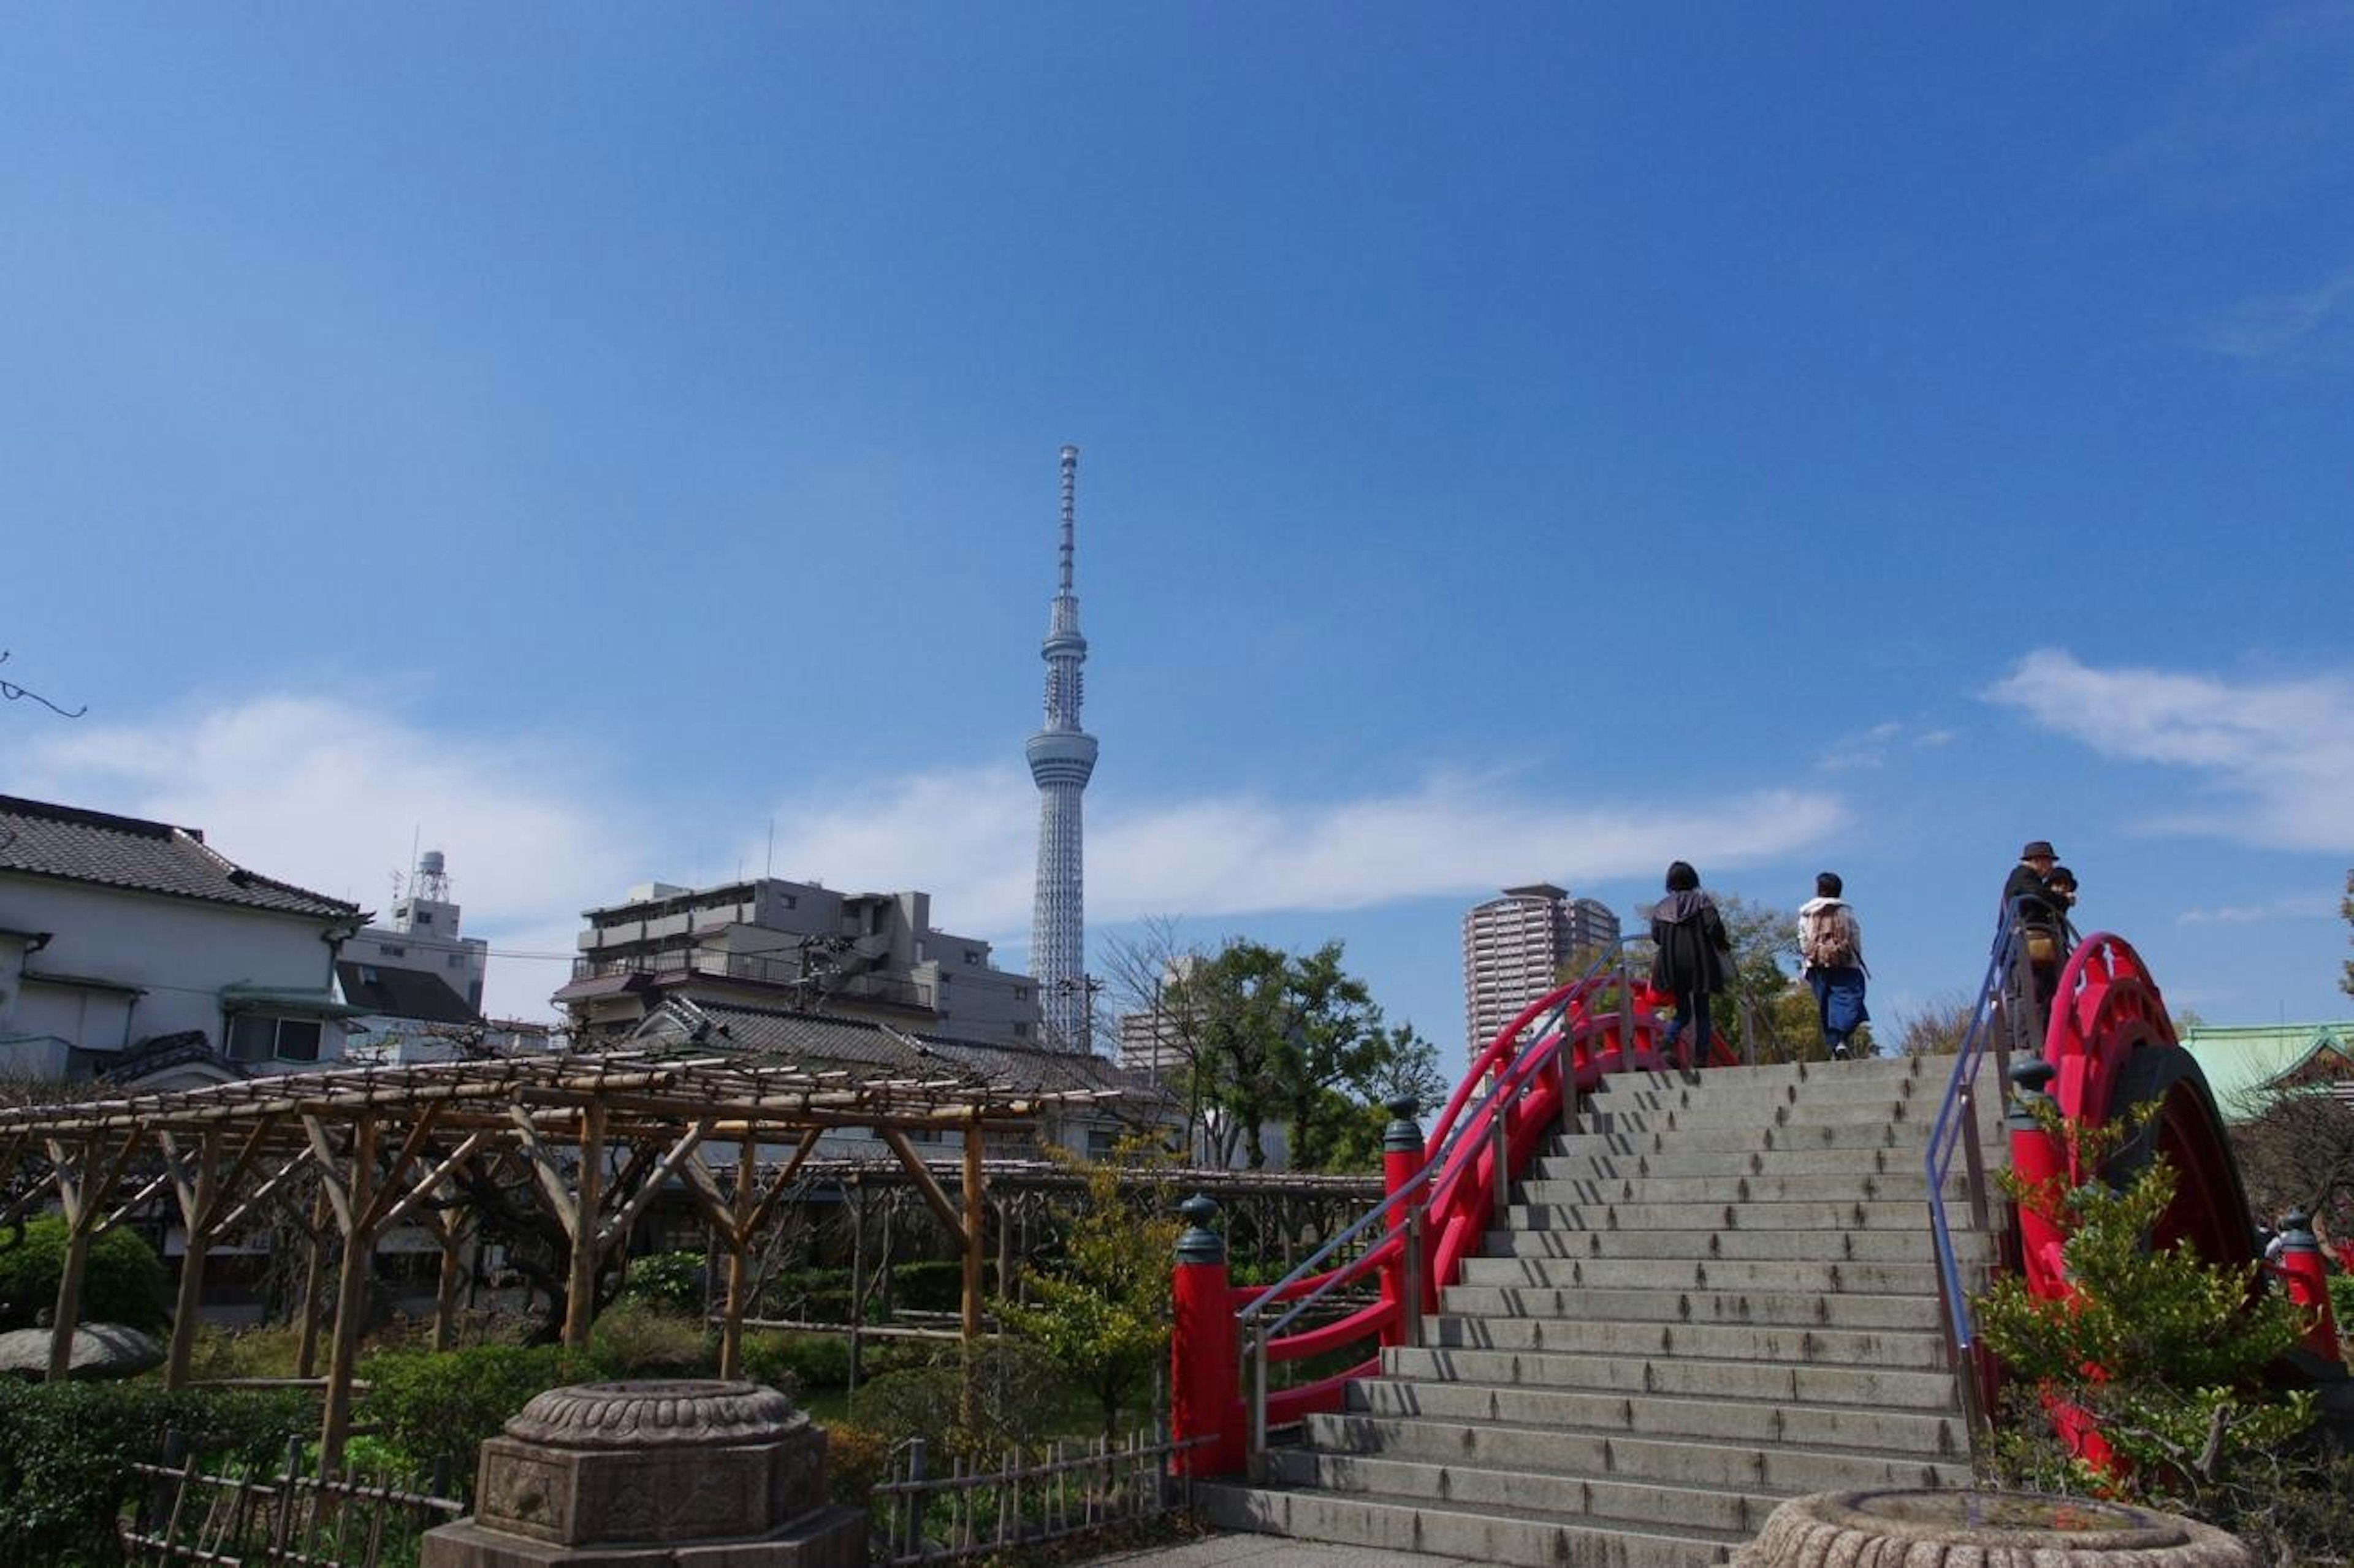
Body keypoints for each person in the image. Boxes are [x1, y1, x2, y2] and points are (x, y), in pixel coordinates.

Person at [1650, 861, 1733, 1062]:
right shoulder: (1702, 902)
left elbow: (1657, 936)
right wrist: (1724, 945)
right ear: (1693, 879)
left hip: (1672, 964)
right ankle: (1701, 1056)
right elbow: (1714, 929)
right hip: (1700, 962)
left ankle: (1669, 1039)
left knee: (1684, 1011)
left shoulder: (1661, 907)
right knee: (1703, 1012)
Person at [1797, 871, 1868, 1060]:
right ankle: (1841, 1041)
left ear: (1819, 889)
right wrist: (1856, 959)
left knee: (1826, 1005)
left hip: (1816, 965)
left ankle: (1836, 1043)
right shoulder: (1846, 912)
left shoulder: (1807, 913)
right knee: (1851, 1001)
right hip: (1845, 964)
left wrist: (1810, 957)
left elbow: (1803, 939)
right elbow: (1855, 936)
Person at [2002, 840, 2068, 1007]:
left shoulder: (2021, 878)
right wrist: (2063, 900)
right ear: (2038, 860)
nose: (2051, 867)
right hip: (2021, 947)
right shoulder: (2024, 876)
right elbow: (2039, 894)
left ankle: (2021, 1032)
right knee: (2031, 997)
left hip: (2013, 946)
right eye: (2049, 862)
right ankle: (2029, 1033)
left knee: (2020, 997)